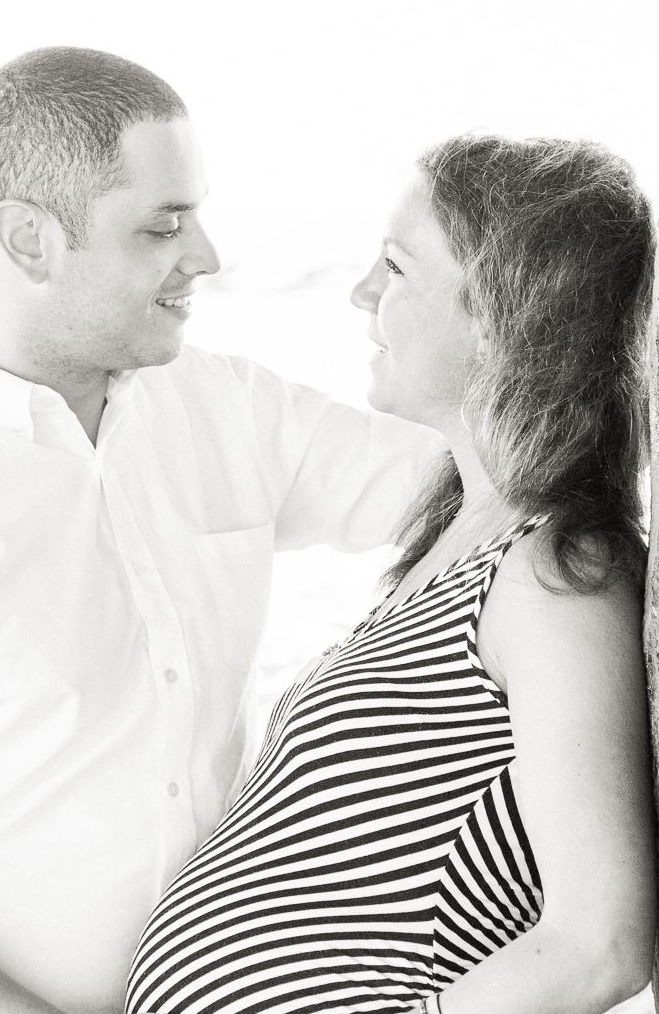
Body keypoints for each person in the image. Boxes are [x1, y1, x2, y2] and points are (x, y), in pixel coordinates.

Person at [0, 47, 441, 1014]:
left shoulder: (229, 409)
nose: (207, 256)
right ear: (30, 240)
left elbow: (466, 491)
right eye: (163, 226)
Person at [125, 134, 656, 1014]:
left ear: (503, 314)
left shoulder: (560, 575)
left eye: (396, 269)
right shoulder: (462, 539)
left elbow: (598, 944)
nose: (362, 293)